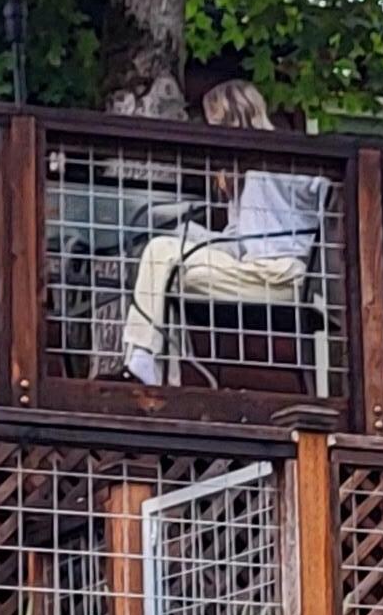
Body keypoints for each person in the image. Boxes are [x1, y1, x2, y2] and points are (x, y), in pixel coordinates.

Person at [121, 74, 330, 384]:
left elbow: (325, 187)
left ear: (233, 117)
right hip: (252, 272)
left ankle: (146, 359)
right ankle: (151, 361)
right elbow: (238, 241)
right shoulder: (242, 177)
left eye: (214, 122)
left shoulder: (283, 157)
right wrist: (190, 235)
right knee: (166, 265)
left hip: (283, 275)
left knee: (163, 260)